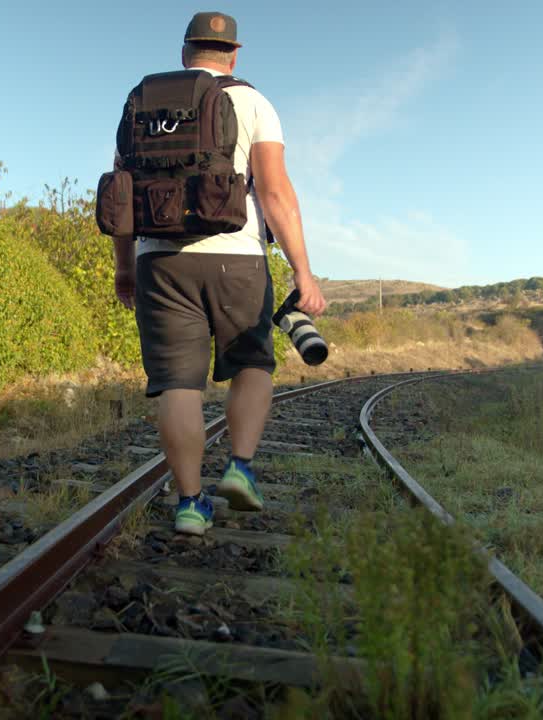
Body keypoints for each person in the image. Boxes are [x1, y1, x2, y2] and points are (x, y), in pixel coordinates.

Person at [111, 11, 327, 536]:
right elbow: (274, 191)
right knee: (253, 362)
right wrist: (304, 270)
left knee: (177, 385)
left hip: (159, 260)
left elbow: (120, 194)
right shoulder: (254, 102)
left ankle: (190, 503)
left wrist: (124, 267)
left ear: (186, 53)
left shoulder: (142, 104)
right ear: (233, 54)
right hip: (238, 257)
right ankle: (240, 467)